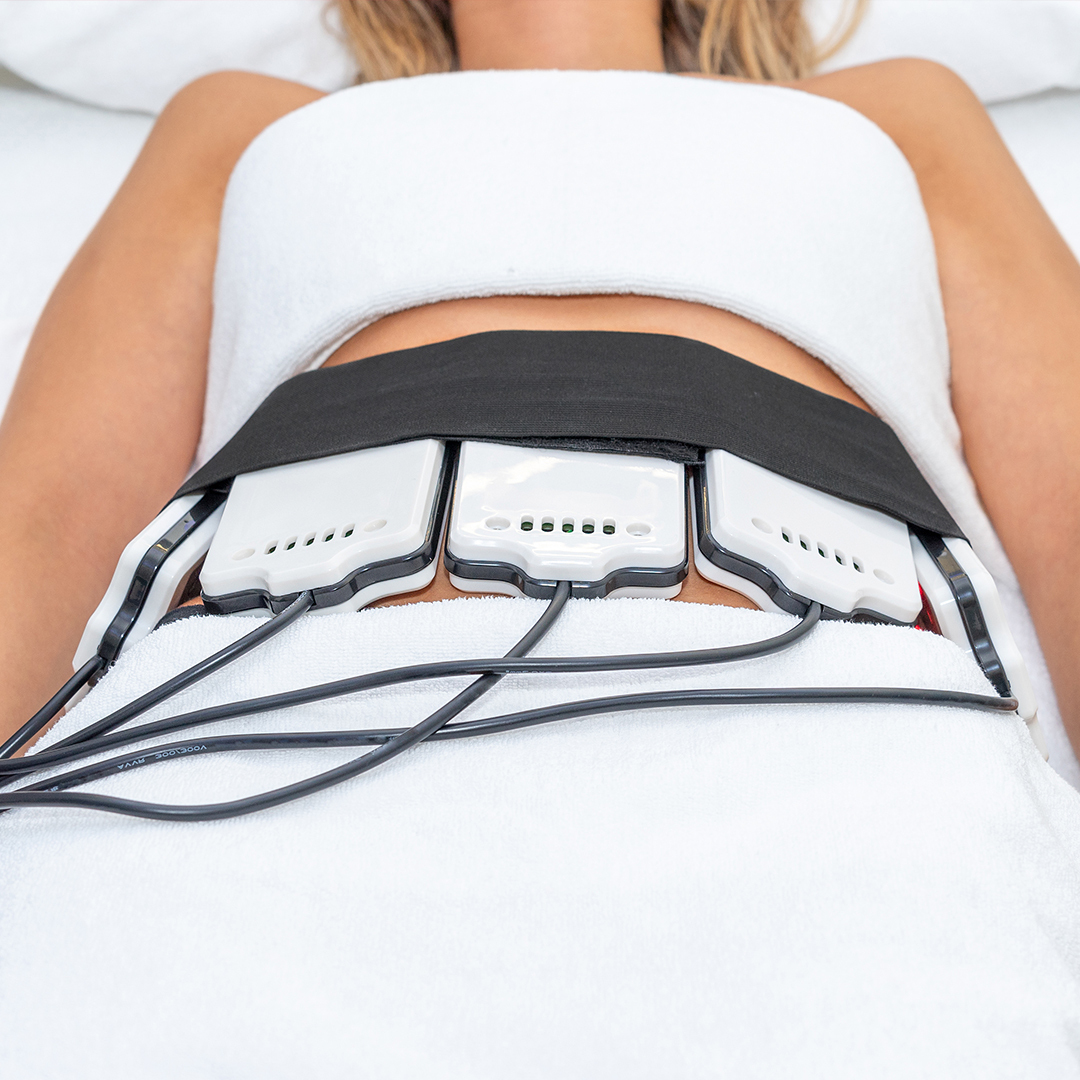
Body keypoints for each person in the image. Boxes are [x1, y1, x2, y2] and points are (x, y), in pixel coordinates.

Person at [1, 0, 1079, 765]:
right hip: (249, 732)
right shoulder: (240, 124)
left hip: (848, 737)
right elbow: (42, 525)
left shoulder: (899, 113)